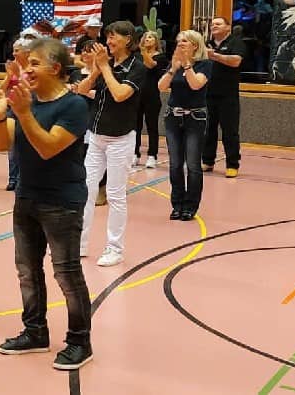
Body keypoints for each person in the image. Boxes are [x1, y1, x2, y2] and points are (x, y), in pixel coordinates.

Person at [0, 38, 93, 371]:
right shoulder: (24, 102)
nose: (26, 69)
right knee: (27, 271)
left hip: (62, 201)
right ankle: (35, 331)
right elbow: (3, 146)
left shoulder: (73, 106)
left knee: (66, 274)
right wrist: (1, 117)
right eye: (26, 63)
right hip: (27, 196)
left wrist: (24, 112)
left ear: (55, 68)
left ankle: (79, 341)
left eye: (34, 63)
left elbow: (47, 147)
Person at [74, 21, 146, 268]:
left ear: (128, 39)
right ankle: (79, 244)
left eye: (114, 36)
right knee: (85, 189)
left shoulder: (137, 66)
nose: (109, 41)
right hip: (95, 136)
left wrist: (104, 67)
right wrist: (96, 70)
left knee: (115, 195)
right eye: (108, 37)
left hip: (120, 139)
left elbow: (119, 94)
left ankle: (114, 248)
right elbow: (82, 90)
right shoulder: (105, 64)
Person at [159, 30, 212, 221]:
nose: (180, 45)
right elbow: (162, 87)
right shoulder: (175, 64)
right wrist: (173, 68)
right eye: (178, 41)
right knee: (174, 165)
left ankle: (191, 206)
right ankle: (177, 204)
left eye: (184, 42)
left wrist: (187, 65)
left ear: (195, 45)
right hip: (173, 117)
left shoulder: (205, 64)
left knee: (192, 165)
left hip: (195, 118)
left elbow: (196, 85)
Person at [203, 16, 243, 178]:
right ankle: (207, 160)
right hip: (208, 93)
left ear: (228, 27)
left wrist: (215, 56)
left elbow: (236, 61)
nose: (214, 26)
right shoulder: (207, 44)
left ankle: (232, 164)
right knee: (208, 129)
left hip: (228, 95)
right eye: (212, 24)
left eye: (218, 24)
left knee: (230, 131)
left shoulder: (235, 43)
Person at [0, 38, 30, 191]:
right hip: (12, 110)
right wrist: (10, 75)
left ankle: (23, 179)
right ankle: (12, 179)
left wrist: (18, 76)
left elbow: (31, 90)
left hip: (26, 111)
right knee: (12, 145)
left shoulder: (31, 68)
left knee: (25, 145)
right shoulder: (13, 67)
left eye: (17, 50)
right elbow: (2, 87)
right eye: (14, 50)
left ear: (26, 52)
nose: (13, 53)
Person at [134, 31, 167, 169]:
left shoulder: (161, 57)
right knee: (135, 127)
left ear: (156, 41)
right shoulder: (137, 57)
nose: (147, 39)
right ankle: (135, 153)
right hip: (137, 95)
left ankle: (152, 155)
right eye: (145, 37)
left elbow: (151, 65)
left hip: (152, 95)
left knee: (152, 126)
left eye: (150, 37)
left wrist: (143, 52)